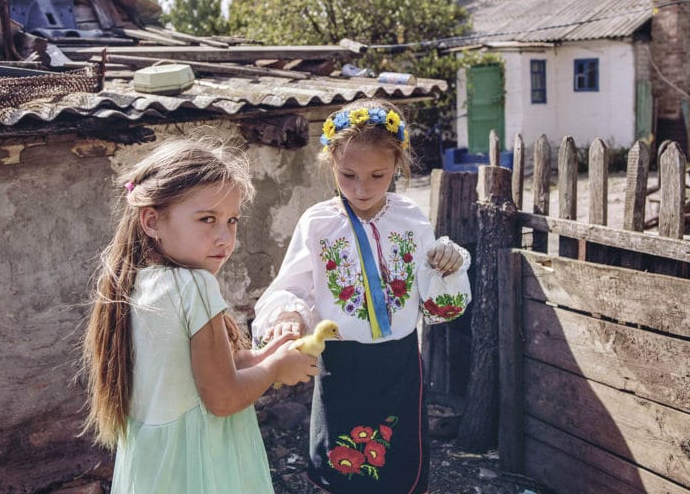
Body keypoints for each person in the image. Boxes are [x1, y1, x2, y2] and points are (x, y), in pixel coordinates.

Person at [252, 99, 471, 494]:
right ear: (330, 163)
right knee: (342, 466)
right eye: (348, 174)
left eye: (377, 174)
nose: (362, 187)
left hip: (400, 363)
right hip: (342, 367)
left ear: (398, 166)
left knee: (401, 462)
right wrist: (289, 314)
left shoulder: (411, 220)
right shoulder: (318, 224)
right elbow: (290, 285)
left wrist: (449, 265)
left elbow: (437, 304)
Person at [82, 137, 319, 494]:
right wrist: (275, 369)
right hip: (200, 467)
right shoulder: (194, 288)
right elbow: (222, 399)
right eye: (207, 219)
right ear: (151, 221)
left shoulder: (137, 283)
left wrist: (255, 357)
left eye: (232, 220)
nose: (225, 237)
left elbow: (184, 375)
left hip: (157, 468)